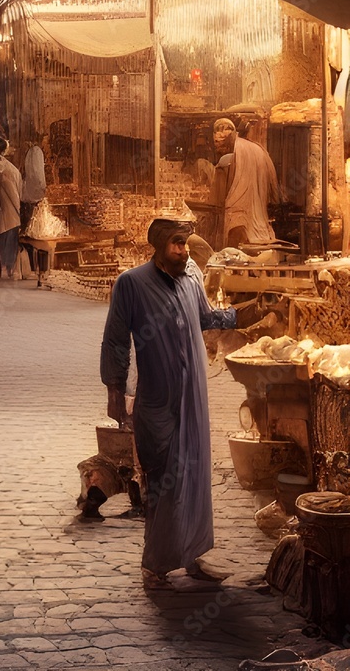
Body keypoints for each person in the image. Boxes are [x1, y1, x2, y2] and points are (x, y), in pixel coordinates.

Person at [100, 216, 237, 589]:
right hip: (157, 401)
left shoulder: (192, 275)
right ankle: (155, 565)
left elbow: (206, 317)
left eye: (187, 243)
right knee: (163, 479)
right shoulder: (132, 283)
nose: (184, 250)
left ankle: (192, 554)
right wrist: (115, 390)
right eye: (177, 243)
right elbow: (115, 339)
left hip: (194, 397)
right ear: (159, 246)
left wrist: (239, 314)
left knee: (195, 476)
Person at [209, 118, 281, 250]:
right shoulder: (260, 150)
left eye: (218, 145)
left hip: (238, 225)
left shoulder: (227, 160)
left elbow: (216, 200)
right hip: (262, 229)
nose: (217, 150)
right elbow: (275, 193)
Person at [0, 139, 22, 279]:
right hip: (11, 210)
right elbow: (12, 192)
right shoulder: (5, 168)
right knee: (10, 237)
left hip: (5, 208)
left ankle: (7, 266)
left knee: (6, 236)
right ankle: (9, 267)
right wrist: (19, 209)